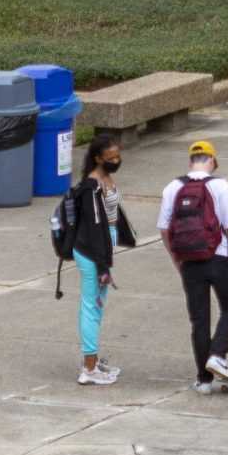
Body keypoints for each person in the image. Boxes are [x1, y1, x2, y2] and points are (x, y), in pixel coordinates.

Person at [158, 138, 228, 392]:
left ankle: (203, 380)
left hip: (188, 260)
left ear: (190, 162)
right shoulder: (220, 185)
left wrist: (177, 258)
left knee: (199, 319)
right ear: (212, 161)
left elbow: (165, 230)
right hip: (219, 257)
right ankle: (218, 354)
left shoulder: (172, 187)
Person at [62, 135, 137, 386]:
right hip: (94, 252)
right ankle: (89, 368)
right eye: (110, 158)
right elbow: (95, 231)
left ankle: (92, 359)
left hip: (103, 248)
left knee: (96, 306)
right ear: (97, 159)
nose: (116, 161)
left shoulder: (105, 179)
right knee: (92, 307)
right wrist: (103, 267)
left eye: (118, 156)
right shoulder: (91, 188)